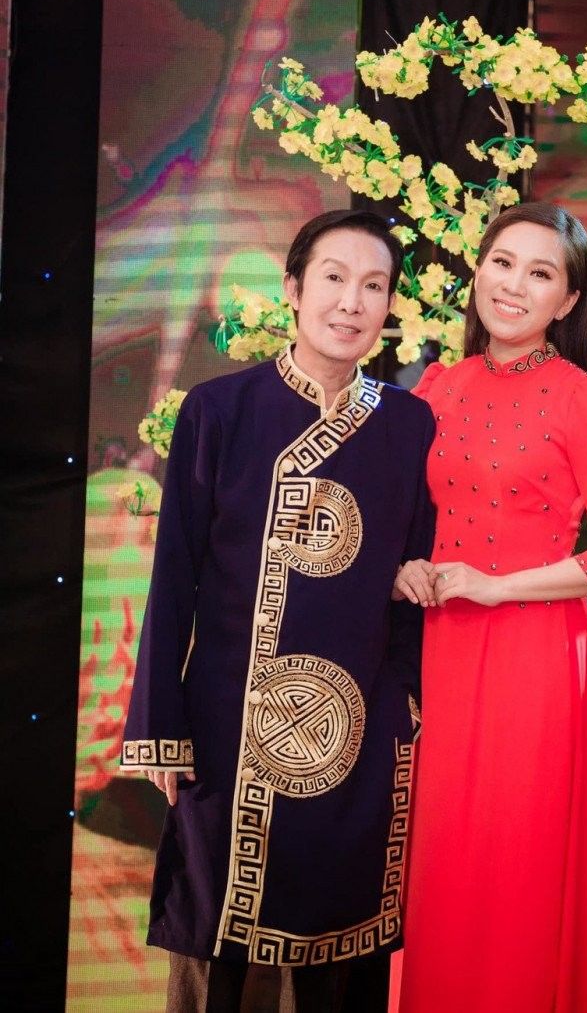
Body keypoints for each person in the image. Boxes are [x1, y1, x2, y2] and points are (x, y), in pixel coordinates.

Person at [120, 210, 435, 1013]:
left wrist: (404, 704)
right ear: (293, 289)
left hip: (354, 729)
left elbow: (414, 579)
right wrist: (159, 725)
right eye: (334, 277)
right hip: (225, 723)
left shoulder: (409, 424)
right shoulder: (219, 409)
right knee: (210, 942)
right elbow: (174, 576)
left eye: (374, 285)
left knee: (337, 950)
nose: (352, 302)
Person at [393, 202, 587, 1013]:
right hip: (438, 651)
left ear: (567, 301)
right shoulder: (438, 386)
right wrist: (408, 566)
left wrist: (496, 585)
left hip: (533, 658)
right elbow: (408, 519)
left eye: (540, 274)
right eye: (502, 263)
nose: (513, 285)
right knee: (435, 866)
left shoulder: (586, 397)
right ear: (478, 271)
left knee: (514, 870)